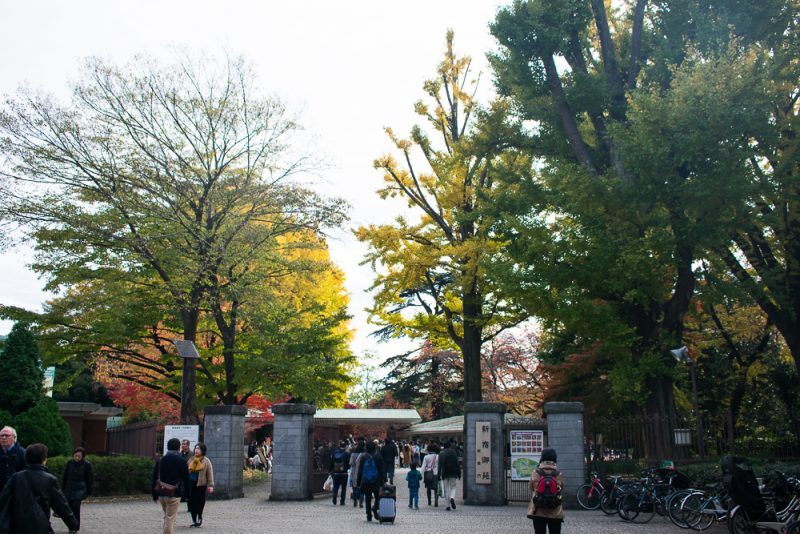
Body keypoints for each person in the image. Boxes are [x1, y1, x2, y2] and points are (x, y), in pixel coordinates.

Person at [0, 442, 78, 534]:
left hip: (16, 524)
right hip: (40, 524)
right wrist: (73, 524)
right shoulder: (50, 479)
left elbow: (3, 500)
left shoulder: (16, 477)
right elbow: (61, 505)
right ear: (44, 460)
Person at [152, 437, 191, 534]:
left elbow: (154, 477)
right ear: (178, 448)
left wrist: (154, 494)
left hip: (161, 493)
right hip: (174, 493)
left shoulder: (161, 460)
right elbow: (186, 479)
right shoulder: (181, 461)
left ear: (168, 447)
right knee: (170, 517)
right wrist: (188, 495)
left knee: (167, 515)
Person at [527, 447, 565, 534]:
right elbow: (561, 488)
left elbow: (531, 487)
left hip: (538, 509)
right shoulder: (558, 473)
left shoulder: (536, 472)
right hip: (555, 510)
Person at [61, 446, 93, 532]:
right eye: (75, 455)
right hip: (69, 488)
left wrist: (89, 491)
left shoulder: (87, 465)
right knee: (68, 509)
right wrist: (62, 489)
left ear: (82, 457)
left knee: (75, 507)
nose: (77, 458)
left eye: (79, 456)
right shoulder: (69, 463)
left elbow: (89, 479)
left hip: (80, 489)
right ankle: (70, 525)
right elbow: (65, 477)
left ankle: (75, 527)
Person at [356, 440, 386, 522]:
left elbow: (360, 470)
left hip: (366, 481)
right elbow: (382, 469)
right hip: (376, 480)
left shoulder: (363, 457)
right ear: (374, 447)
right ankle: (375, 508)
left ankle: (368, 515)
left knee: (368, 498)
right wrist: (384, 479)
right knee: (378, 497)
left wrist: (358, 482)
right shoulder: (378, 456)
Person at [187, 442, 214, 528]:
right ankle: (194, 520)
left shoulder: (206, 460)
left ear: (202, 450)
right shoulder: (191, 459)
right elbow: (186, 472)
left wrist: (210, 485)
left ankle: (199, 516)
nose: (196, 450)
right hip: (191, 484)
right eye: (195, 448)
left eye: (198, 448)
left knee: (199, 502)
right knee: (191, 502)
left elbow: (210, 473)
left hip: (201, 485)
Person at [438, 440, 461, 511]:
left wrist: (439, 475)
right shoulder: (453, 452)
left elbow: (439, 466)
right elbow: (457, 464)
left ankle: (447, 506)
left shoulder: (441, 454)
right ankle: (452, 498)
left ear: (443, 447)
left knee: (446, 489)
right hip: (453, 473)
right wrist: (459, 473)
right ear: (450, 446)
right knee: (453, 487)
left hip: (445, 473)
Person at [329, 440, 350, 506]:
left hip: (336, 472)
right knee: (343, 488)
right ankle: (342, 501)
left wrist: (330, 470)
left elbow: (332, 462)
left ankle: (334, 495)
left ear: (339, 446)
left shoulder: (335, 453)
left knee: (336, 486)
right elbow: (348, 464)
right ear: (345, 446)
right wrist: (347, 468)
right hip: (344, 473)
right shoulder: (347, 454)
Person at [420, 442, 440, 507]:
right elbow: (440, 466)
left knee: (428, 488)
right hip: (436, 474)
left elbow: (423, 467)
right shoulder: (438, 456)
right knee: (436, 488)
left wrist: (420, 474)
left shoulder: (426, 457)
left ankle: (429, 501)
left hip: (428, 474)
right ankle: (436, 501)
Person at [349, 440, 365, 508]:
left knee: (354, 488)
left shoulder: (353, 454)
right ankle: (361, 502)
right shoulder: (364, 454)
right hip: (362, 473)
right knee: (362, 489)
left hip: (354, 472)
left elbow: (351, 464)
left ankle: (355, 500)